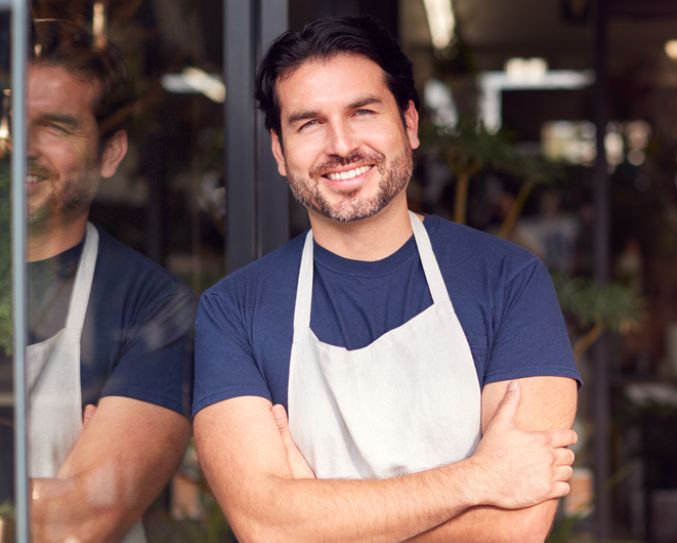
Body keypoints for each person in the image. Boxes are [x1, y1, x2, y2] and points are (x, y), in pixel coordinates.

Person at [192, 15, 581, 542]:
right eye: (309, 124)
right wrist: (480, 477)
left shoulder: (508, 282)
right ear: (280, 153)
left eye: (363, 112)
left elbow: (512, 531)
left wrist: (314, 519)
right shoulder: (233, 311)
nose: (341, 144)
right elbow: (265, 526)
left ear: (410, 124)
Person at [1, 19, 194, 542]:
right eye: (12, 122)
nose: (23, 147)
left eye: (55, 127)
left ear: (111, 153)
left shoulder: (152, 305)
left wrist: (74, 501)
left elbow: (87, 517)